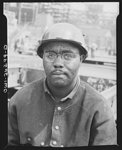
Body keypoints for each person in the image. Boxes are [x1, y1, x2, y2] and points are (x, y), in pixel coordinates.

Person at [8, 23, 117, 147]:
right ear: (42, 57)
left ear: (81, 59)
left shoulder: (98, 107)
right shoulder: (20, 100)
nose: (58, 63)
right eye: (50, 55)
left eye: (67, 56)